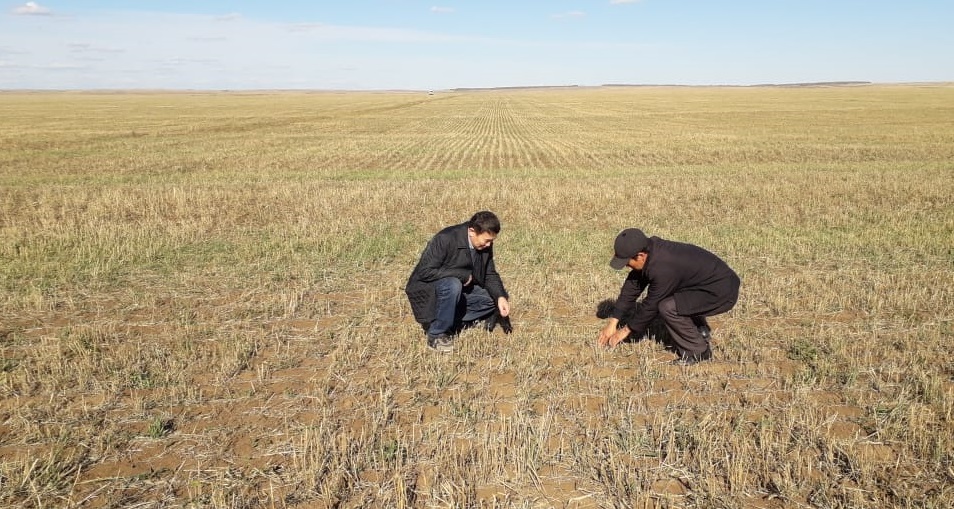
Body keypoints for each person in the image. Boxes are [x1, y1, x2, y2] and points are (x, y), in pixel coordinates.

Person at [598, 228, 740, 365]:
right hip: (708, 284)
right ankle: (699, 329)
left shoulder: (663, 267)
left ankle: (698, 351)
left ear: (640, 255)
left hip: (722, 292)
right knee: (672, 293)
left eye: (627, 263)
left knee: (667, 306)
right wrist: (613, 323)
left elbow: (651, 306)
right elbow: (633, 286)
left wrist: (625, 331)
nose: (626, 267)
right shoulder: (651, 251)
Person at [406, 211, 512, 352]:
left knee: (492, 299)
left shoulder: (484, 244)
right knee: (453, 284)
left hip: (458, 290)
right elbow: (425, 272)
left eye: (491, 241)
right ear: (472, 231)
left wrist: (500, 296)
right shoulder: (445, 238)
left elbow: (489, 273)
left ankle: (451, 320)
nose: (489, 245)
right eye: (486, 240)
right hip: (430, 290)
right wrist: (462, 275)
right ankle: (436, 334)